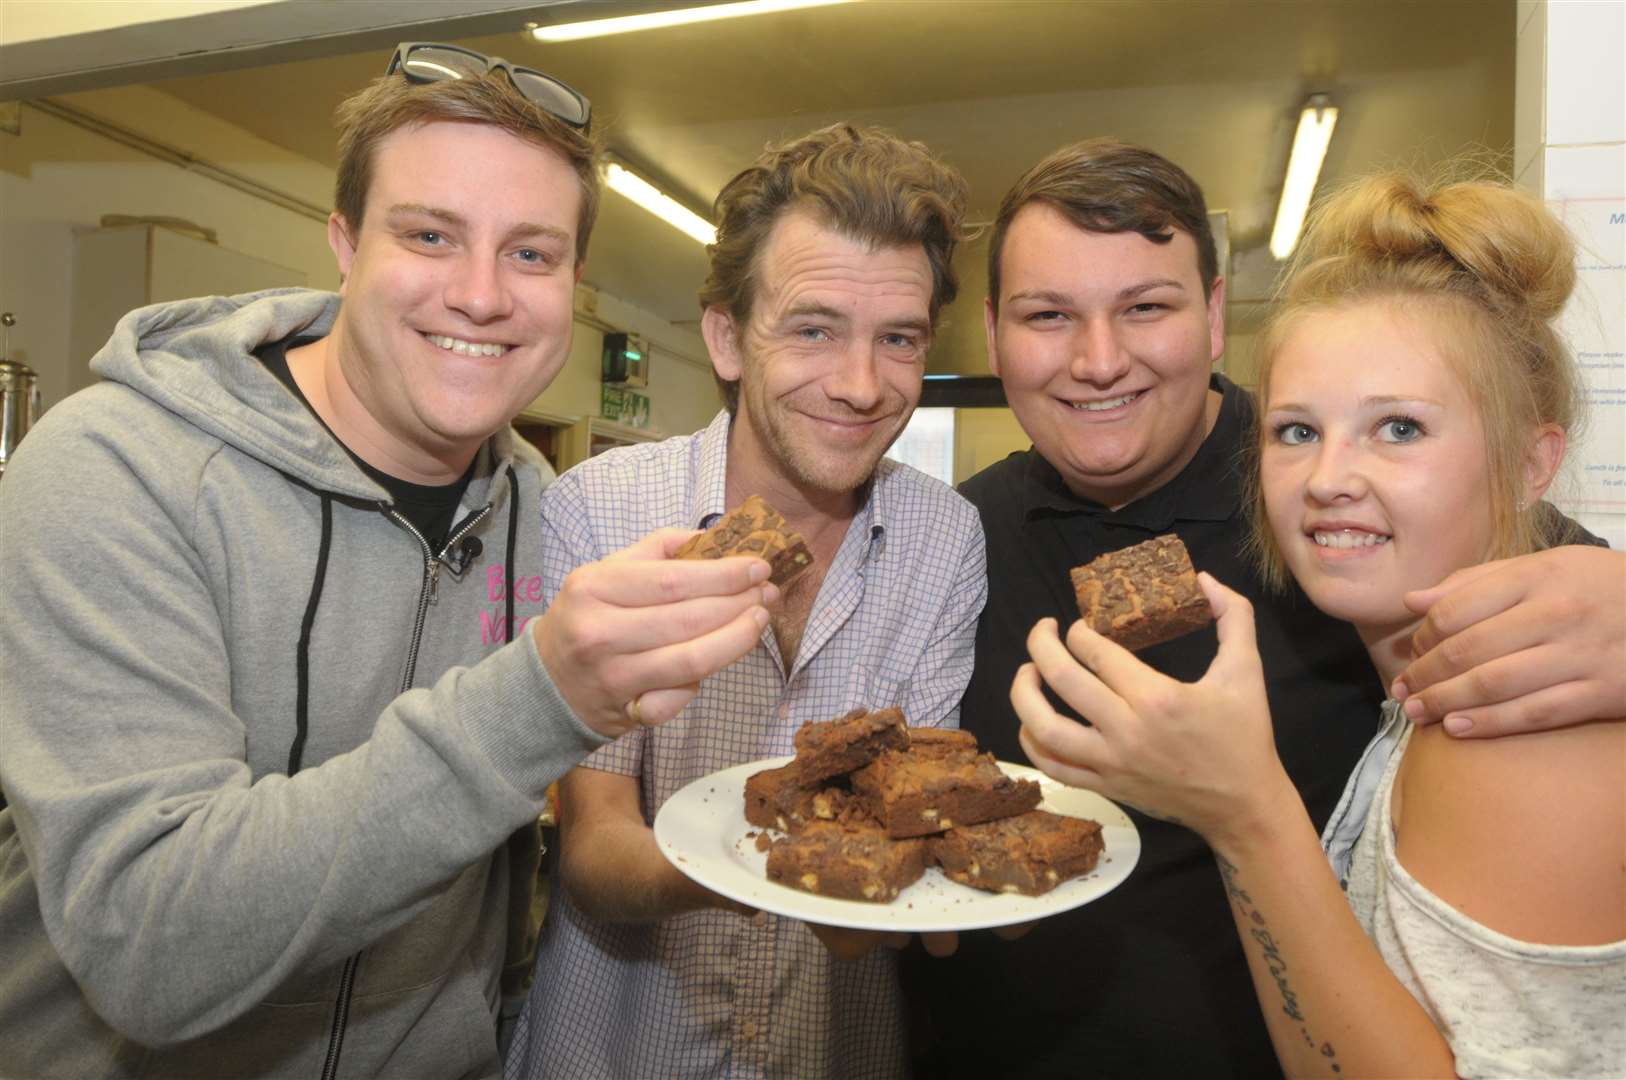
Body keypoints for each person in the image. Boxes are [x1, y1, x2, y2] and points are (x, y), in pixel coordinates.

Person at [0, 44, 775, 1078]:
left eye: (532, 255)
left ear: (573, 286)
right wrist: (542, 697)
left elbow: (502, 872)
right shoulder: (117, 469)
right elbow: (148, 946)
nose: (482, 295)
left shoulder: (542, 516)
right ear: (344, 242)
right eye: (429, 235)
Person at [902, 139, 1624, 1078]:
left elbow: (1536, 567)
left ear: (1211, 318)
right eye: (1049, 316)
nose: (1099, 359)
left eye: (1146, 307)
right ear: (995, 337)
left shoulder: (1329, 515)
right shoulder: (957, 533)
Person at [502, 123, 986, 1080]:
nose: (860, 385)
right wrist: (791, 872)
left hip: (829, 1049)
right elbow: (597, 850)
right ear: (726, 336)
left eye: (899, 339)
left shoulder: (945, 538)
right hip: (613, 1048)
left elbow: (915, 819)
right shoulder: (602, 509)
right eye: (813, 328)